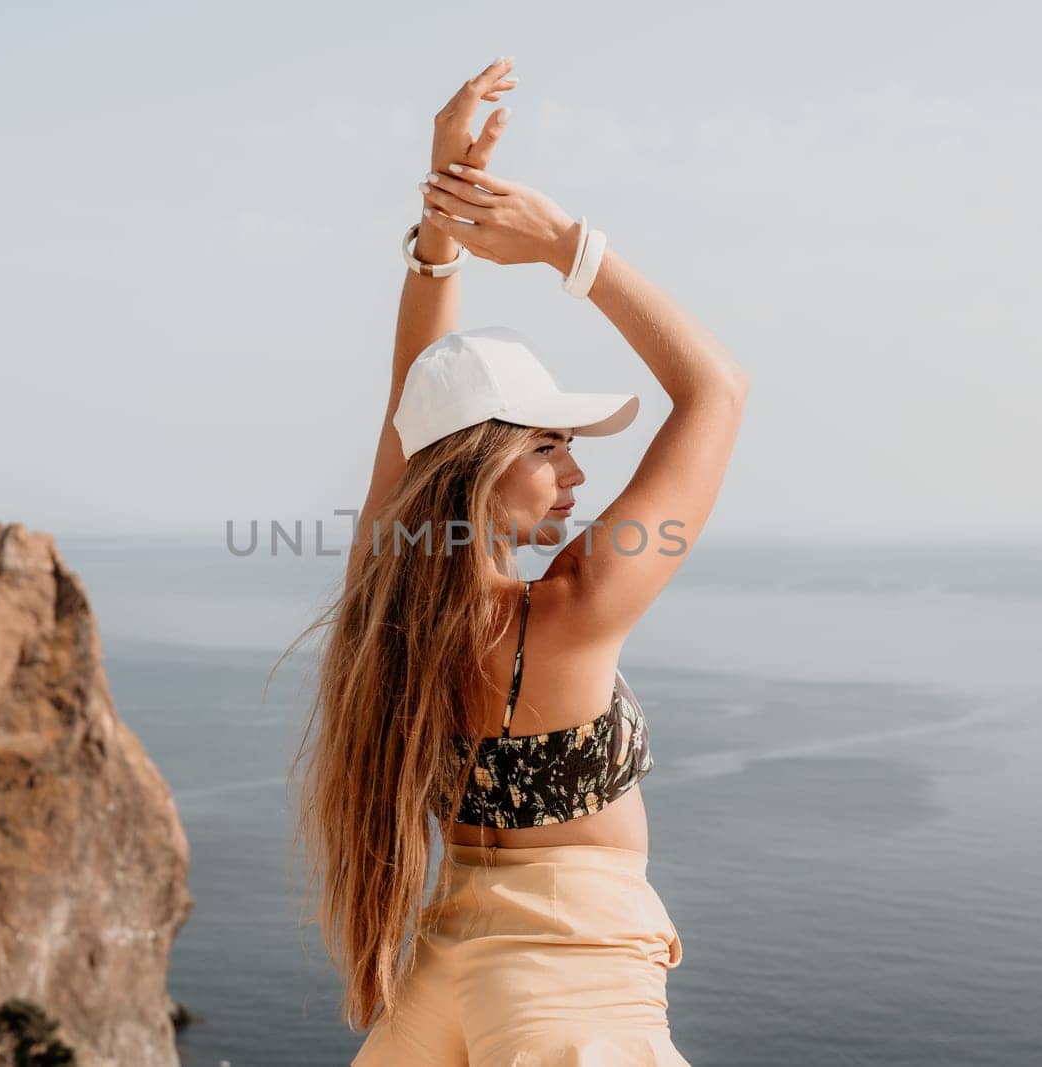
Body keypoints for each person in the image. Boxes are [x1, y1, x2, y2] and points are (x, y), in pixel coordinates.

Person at [281, 56, 750, 1065]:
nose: (577, 470)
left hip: (442, 972)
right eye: (547, 444)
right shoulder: (567, 608)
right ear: (480, 469)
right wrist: (564, 249)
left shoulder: (383, 592)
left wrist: (439, 237)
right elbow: (715, 388)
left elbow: (416, 402)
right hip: (570, 977)